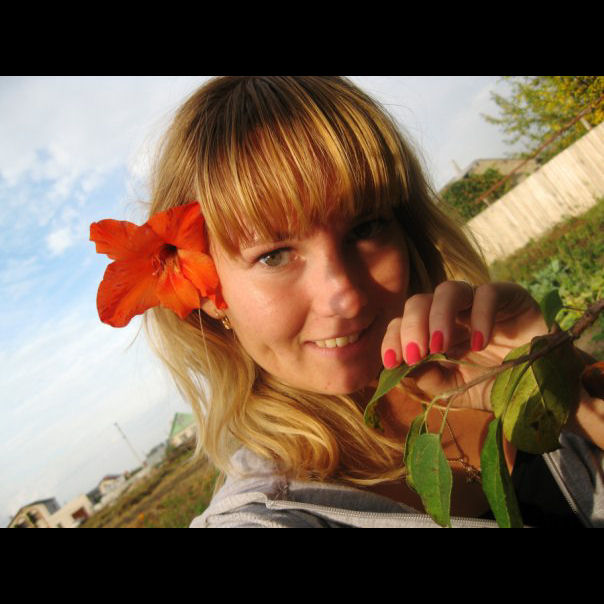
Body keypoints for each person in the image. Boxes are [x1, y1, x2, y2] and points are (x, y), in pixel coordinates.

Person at [91, 76, 604, 527]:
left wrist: (560, 386)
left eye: (366, 227)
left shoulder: (494, 358)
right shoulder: (269, 514)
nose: (345, 294)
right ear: (207, 294)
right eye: (273, 255)